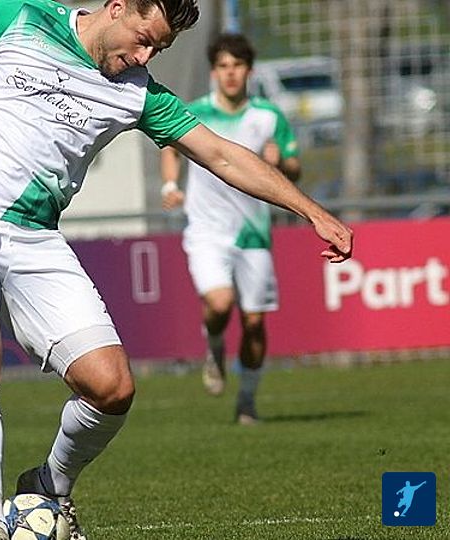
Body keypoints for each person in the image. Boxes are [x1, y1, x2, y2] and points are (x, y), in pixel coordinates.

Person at [0, 1, 352, 538]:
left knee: (112, 387)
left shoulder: (139, 93)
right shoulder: (21, 17)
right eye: (143, 38)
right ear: (116, 8)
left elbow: (222, 155)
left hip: (35, 236)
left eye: (158, 48)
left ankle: (49, 485)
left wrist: (312, 211)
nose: (145, 55)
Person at [160, 33, 301, 425]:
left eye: (237, 66)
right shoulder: (195, 112)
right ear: (214, 72)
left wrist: (281, 162)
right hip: (207, 230)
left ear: (248, 71)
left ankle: (247, 402)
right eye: (223, 66)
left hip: (253, 234)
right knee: (220, 303)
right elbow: (169, 146)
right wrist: (170, 185)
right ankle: (215, 344)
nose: (230, 73)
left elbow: (294, 168)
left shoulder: (268, 117)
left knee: (254, 322)